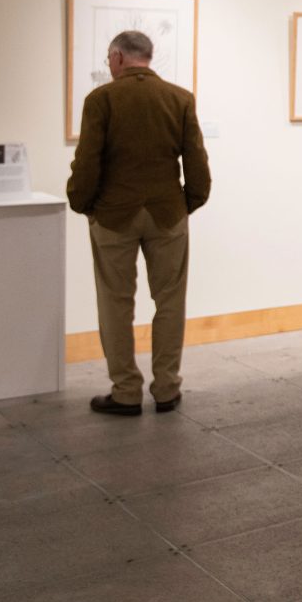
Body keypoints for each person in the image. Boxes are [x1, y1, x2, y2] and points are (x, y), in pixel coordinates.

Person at [66, 30, 211, 416]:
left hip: (114, 215)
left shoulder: (101, 100)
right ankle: (166, 388)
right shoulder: (179, 98)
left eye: (107, 60)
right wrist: (189, 202)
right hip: (167, 214)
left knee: (115, 303)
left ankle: (127, 390)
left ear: (117, 58)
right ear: (147, 57)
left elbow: (88, 161)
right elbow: (196, 160)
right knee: (169, 301)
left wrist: (83, 204)